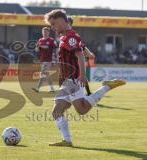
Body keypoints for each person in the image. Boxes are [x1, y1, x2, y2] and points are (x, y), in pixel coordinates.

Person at [44, 9, 126, 146]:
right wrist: (89, 53)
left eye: (53, 24)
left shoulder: (70, 36)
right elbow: (82, 49)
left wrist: (82, 75)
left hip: (72, 80)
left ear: (61, 21)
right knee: (56, 111)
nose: (52, 27)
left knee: (81, 110)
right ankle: (67, 141)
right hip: (65, 82)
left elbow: (80, 55)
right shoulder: (66, 37)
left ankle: (107, 87)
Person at [67, 16, 95, 95]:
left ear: (70, 24)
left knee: (76, 76)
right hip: (69, 60)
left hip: (75, 60)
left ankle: (83, 93)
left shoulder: (72, 34)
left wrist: (89, 53)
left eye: (66, 22)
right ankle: (86, 92)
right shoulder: (64, 34)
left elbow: (81, 46)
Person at [32, 27, 56, 93]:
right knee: (45, 74)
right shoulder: (40, 40)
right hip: (42, 60)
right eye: (43, 32)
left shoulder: (51, 40)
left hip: (48, 60)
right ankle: (52, 88)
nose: (44, 33)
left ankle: (38, 88)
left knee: (43, 73)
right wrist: (37, 47)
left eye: (46, 32)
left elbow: (47, 47)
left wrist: (40, 46)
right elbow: (37, 50)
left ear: (48, 32)